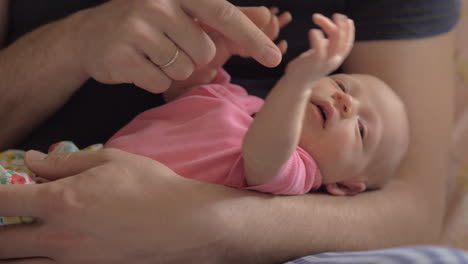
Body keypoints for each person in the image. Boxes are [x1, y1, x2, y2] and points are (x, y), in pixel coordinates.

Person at [0, 0, 460, 263]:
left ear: (343, 185)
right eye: (342, 86)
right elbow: (187, 95)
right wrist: (203, 54)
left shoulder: (296, 171)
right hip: (71, 165)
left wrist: (302, 79)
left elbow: (264, 154)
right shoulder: (240, 103)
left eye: (360, 128)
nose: (344, 101)